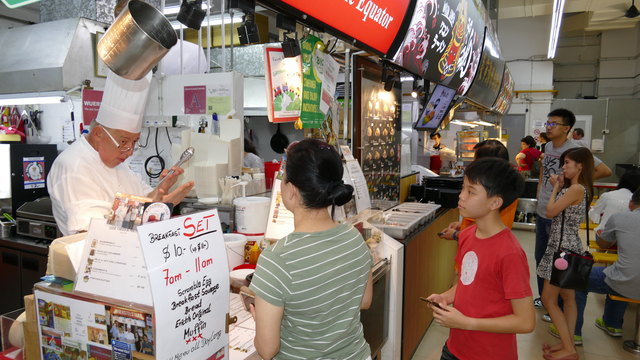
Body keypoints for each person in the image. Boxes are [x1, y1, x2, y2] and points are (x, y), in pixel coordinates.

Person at [248, 139, 373, 360]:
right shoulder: (354, 238)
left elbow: (267, 350)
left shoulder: (278, 259)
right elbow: (364, 301)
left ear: (292, 190)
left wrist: (261, 318)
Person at [48, 70, 194, 236]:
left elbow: (145, 199)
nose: (130, 151)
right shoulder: (74, 166)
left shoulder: (117, 163)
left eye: (134, 142)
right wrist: (154, 211)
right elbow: (91, 230)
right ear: (98, 134)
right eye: (123, 142)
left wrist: (161, 191)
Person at [427, 158, 535, 360]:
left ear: (495, 202)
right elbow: (467, 284)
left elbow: (526, 322)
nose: (461, 196)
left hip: (490, 354)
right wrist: (446, 297)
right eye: (463, 188)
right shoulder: (467, 235)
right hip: (455, 348)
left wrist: (467, 322)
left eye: (471, 191)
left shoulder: (510, 253)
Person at [533, 109, 611, 311]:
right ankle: (545, 300)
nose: (548, 127)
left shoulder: (576, 149)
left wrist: (574, 185)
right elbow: (544, 170)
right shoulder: (548, 145)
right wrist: (540, 191)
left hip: (558, 213)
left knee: (558, 264)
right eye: (547, 123)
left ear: (566, 128)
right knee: (541, 258)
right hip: (543, 209)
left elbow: (604, 170)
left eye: (554, 124)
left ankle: (556, 305)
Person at [538, 147, 594, 360]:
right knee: (567, 298)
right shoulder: (582, 188)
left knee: (548, 298)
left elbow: (550, 211)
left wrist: (555, 189)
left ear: (580, 165)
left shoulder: (575, 189)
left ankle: (569, 349)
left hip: (560, 250)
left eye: (568, 163)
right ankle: (567, 344)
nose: (563, 167)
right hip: (570, 247)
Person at [571, 188, 640, 343]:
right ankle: (612, 323)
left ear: (631, 204)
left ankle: (573, 331)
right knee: (617, 272)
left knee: (579, 276)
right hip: (627, 280)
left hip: (626, 281)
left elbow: (603, 243)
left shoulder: (620, 218)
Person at [439, 139, 518, 240]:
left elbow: (486, 232)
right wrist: (462, 225)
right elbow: (480, 221)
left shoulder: (490, 193)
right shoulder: (503, 185)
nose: (461, 196)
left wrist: (456, 235)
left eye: (476, 160)